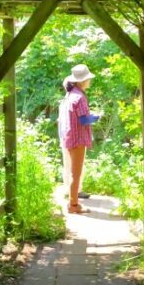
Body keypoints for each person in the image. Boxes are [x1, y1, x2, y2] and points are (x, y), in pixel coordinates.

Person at [58, 64, 101, 214]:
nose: (89, 81)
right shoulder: (80, 97)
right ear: (82, 81)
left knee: (72, 173)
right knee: (75, 174)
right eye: (88, 78)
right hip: (78, 139)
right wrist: (96, 117)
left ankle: (73, 204)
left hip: (69, 137)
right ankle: (74, 206)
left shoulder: (70, 95)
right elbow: (83, 120)